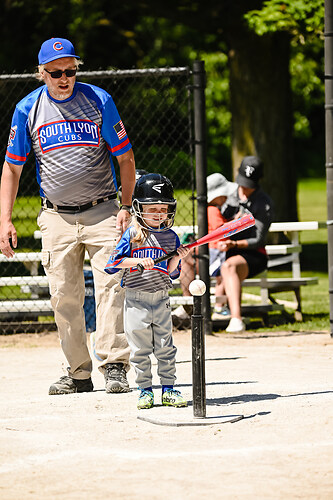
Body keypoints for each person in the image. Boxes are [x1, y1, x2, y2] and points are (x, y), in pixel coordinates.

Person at [0, 37, 136, 395]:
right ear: (41, 73)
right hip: (57, 217)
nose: (65, 78)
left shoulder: (98, 101)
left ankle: (115, 366)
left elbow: (125, 158)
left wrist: (125, 206)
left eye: (71, 70)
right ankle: (77, 373)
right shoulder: (27, 109)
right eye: (56, 72)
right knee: (64, 296)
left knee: (112, 287)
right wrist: (5, 219)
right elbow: (12, 168)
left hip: (105, 210)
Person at [104, 173, 189, 410]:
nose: (159, 214)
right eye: (153, 209)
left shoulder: (171, 238)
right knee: (140, 349)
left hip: (161, 299)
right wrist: (136, 262)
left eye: (164, 208)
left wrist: (177, 258)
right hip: (136, 300)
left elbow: (171, 274)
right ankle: (145, 390)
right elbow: (112, 264)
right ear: (139, 208)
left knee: (165, 346)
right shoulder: (132, 235)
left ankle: (169, 389)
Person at [217, 156, 274, 333]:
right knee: (219, 267)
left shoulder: (263, 203)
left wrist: (233, 243)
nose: (245, 187)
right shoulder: (232, 195)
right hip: (226, 250)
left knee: (229, 267)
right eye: (243, 182)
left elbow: (258, 240)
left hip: (253, 254)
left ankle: (236, 319)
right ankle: (214, 310)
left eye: (249, 184)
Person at [172, 172, 237, 321]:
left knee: (220, 277)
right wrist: (235, 222)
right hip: (216, 250)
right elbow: (221, 229)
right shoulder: (213, 210)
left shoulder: (211, 210)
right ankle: (220, 307)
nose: (226, 197)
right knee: (221, 277)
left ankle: (216, 306)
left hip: (214, 249)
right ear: (217, 196)